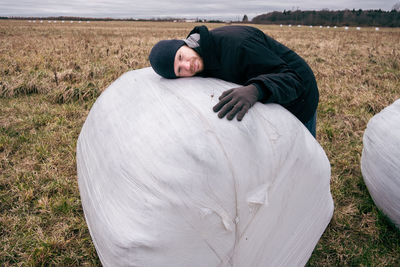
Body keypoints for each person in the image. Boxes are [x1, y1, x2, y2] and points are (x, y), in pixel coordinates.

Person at [149, 25, 319, 137]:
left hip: (300, 96)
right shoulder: (201, 60)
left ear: (185, 44)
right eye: (179, 70)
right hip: (272, 98)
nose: (187, 66)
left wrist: (255, 90)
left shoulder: (238, 45)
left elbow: (293, 80)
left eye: (181, 56)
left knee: (301, 157)